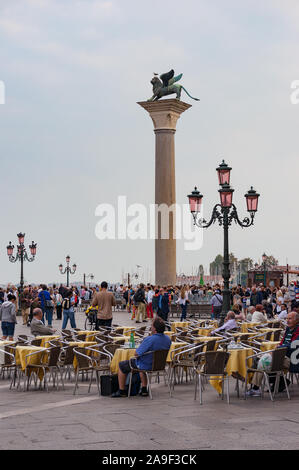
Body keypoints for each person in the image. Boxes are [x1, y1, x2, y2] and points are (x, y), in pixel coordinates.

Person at [112, 316, 171, 397]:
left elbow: (136, 353)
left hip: (146, 365)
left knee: (122, 365)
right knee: (142, 362)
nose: (150, 327)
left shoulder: (150, 339)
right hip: (159, 365)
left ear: (154, 329)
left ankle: (122, 390)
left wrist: (150, 336)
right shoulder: (168, 339)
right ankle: (144, 389)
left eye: (152, 326)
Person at [248, 312, 299, 396]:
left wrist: (278, 349)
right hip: (281, 355)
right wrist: (278, 346)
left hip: (292, 359)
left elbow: (294, 344)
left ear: (297, 320)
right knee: (258, 358)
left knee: (264, 361)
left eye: (290, 319)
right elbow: (283, 342)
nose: (287, 321)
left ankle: (255, 388)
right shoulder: (288, 329)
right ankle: (280, 380)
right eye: (287, 318)